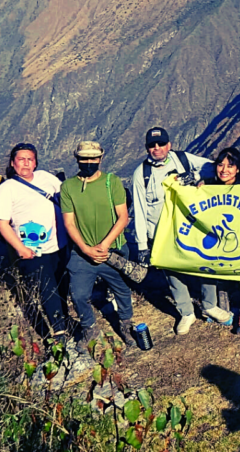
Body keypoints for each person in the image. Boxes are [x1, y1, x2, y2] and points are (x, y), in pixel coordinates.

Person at [130, 127, 232, 335]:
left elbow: (215, 168)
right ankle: (187, 312)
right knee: (172, 274)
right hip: (161, 233)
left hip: (190, 227)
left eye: (161, 144)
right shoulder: (141, 174)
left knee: (204, 262)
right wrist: (142, 245)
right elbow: (139, 210)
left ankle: (210, 305)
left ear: (169, 145)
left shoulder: (183, 159)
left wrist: (191, 176)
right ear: (147, 148)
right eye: (152, 145)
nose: (157, 148)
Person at [60, 141, 136, 351]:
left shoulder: (112, 182)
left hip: (112, 250)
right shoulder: (68, 187)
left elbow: (123, 217)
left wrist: (105, 245)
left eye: (93, 158)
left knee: (121, 289)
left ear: (100, 159)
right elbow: (69, 222)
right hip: (82, 253)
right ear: (77, 159)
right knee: (79, 294)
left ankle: (126, 324)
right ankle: (89, 328)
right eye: (84, 158)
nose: (89, 162)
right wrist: (85, 249)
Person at [0, 142, 69, 344]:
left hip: (59, 245)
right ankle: (59, 334)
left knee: (61, 287)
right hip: (32, 251)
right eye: (21, 159)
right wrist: (21, 248)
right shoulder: (7, 189)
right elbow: (1, 223)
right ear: (12, 163)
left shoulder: (46, 178)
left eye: (30, 159)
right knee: (47, 290)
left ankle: (66, 322)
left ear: (35, 162)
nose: (26, 163)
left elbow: (67, 198)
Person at [201, 147, 240, 335]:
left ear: (238, 169)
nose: (224, 170)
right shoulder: (209, 187)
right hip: (219, 244)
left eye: (230, 165)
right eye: (220, 165)